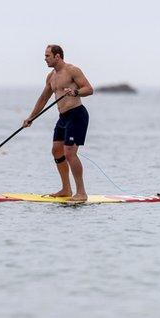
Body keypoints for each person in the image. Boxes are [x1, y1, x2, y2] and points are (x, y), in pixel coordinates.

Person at [23, 44, 94, 201]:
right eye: (45, 56)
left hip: (77, 115)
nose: (45, 59)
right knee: (56, 151)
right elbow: (43, 99)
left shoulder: (72, 70)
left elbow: (89, 89)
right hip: (63, 118)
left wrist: (75, 92)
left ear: (58, 56)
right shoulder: (51, 77)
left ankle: (81, 192)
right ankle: (66, 189)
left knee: (70, 153)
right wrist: (31, 117)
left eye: (48, 56)